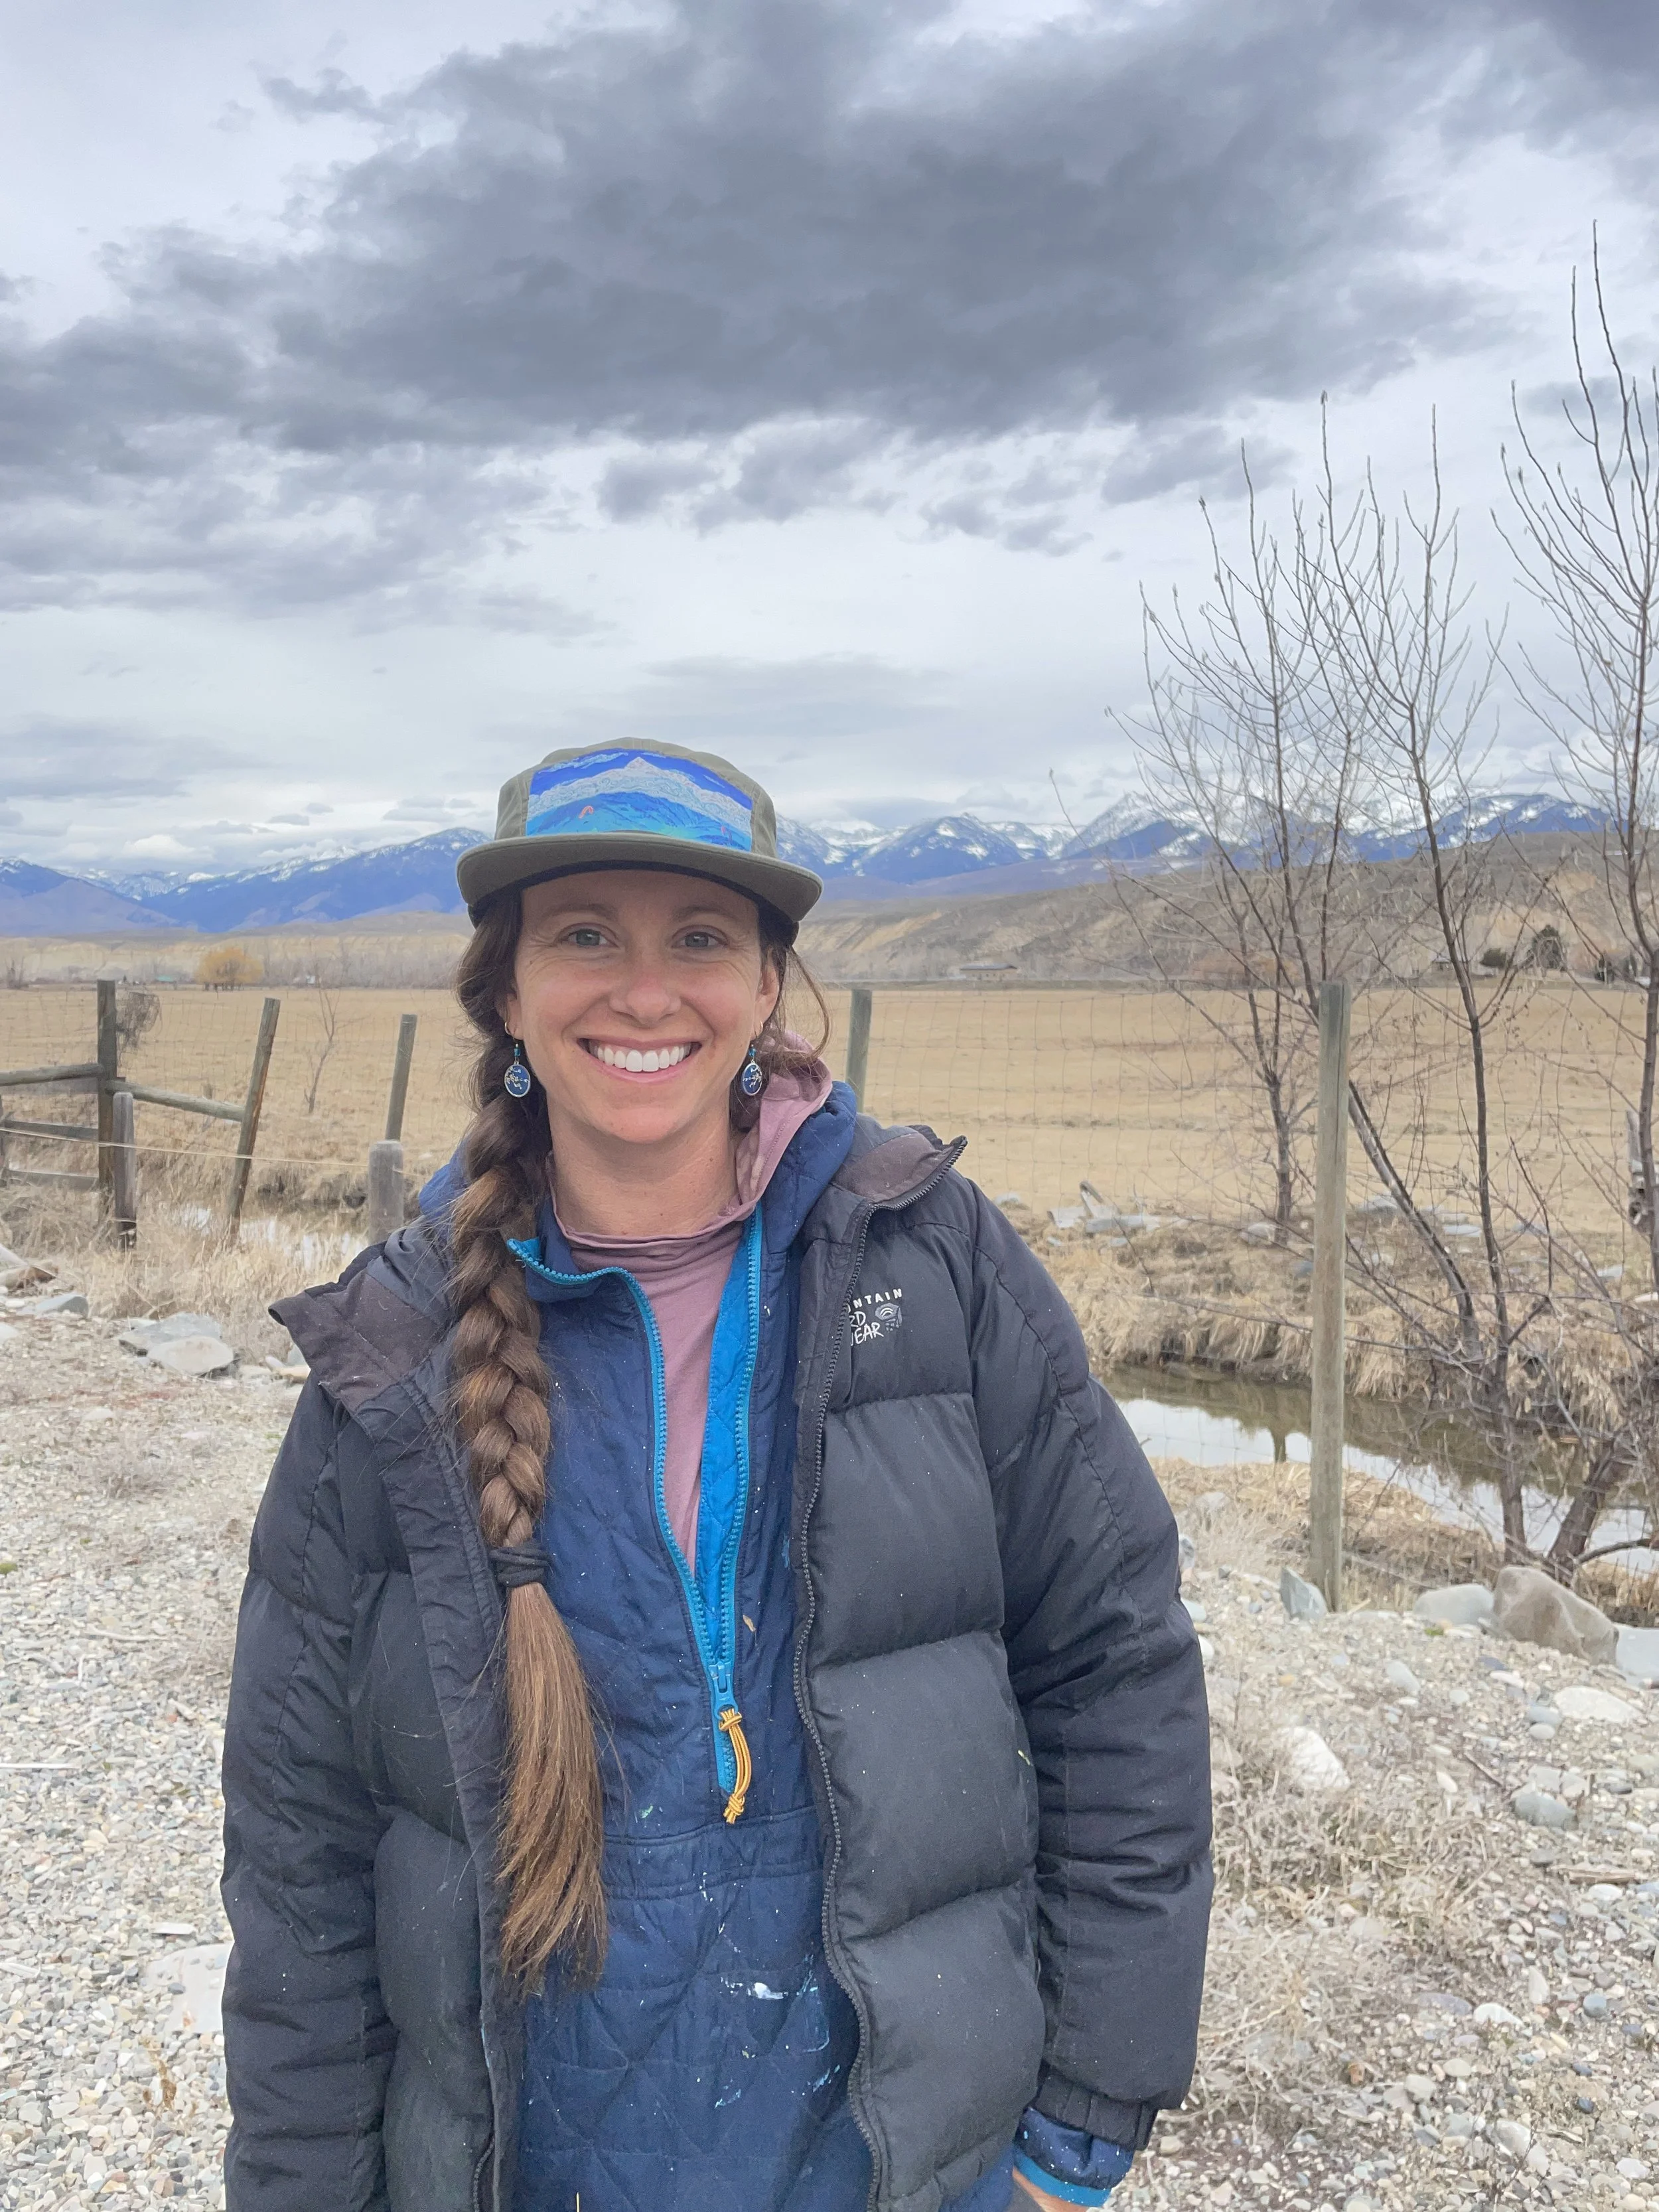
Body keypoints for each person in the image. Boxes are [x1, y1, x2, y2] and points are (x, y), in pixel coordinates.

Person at [219, 740, 1212, 2212]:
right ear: (504, 991)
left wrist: (1084, 2113)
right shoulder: (399, 1352)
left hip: (901, 2165)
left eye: (698, 936)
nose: (643, 988)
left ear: (765, 989)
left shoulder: (934, 1266)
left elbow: (1114, 1663)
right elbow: (299, 1839)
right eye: (582, 935)